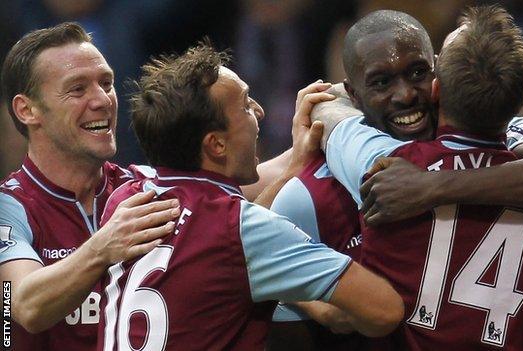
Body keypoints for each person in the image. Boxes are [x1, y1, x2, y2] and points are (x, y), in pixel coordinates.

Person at [266, 8, 523, 351]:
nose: (405, 94)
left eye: (418, 73)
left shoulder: (382, 167)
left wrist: (430, 186)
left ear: (437, 85)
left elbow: (332, 113)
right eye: (382, 81)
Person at [96, 38, 404, 351]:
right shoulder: (242, 230)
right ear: (216, 145)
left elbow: (219, 245)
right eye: (245, 105)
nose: (259, 111)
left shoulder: (126, 200)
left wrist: (291, 170)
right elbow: (384, 311)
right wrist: (312, 298)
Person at [0, 23, 185, 350]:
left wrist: (297, 156)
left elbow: (232, 204)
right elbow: (25, 305)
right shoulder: (10, 207)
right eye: (77, 89)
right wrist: (103, 248)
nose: (103, 100)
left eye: (106, 83)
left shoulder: (142, 189)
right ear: (27, 110)